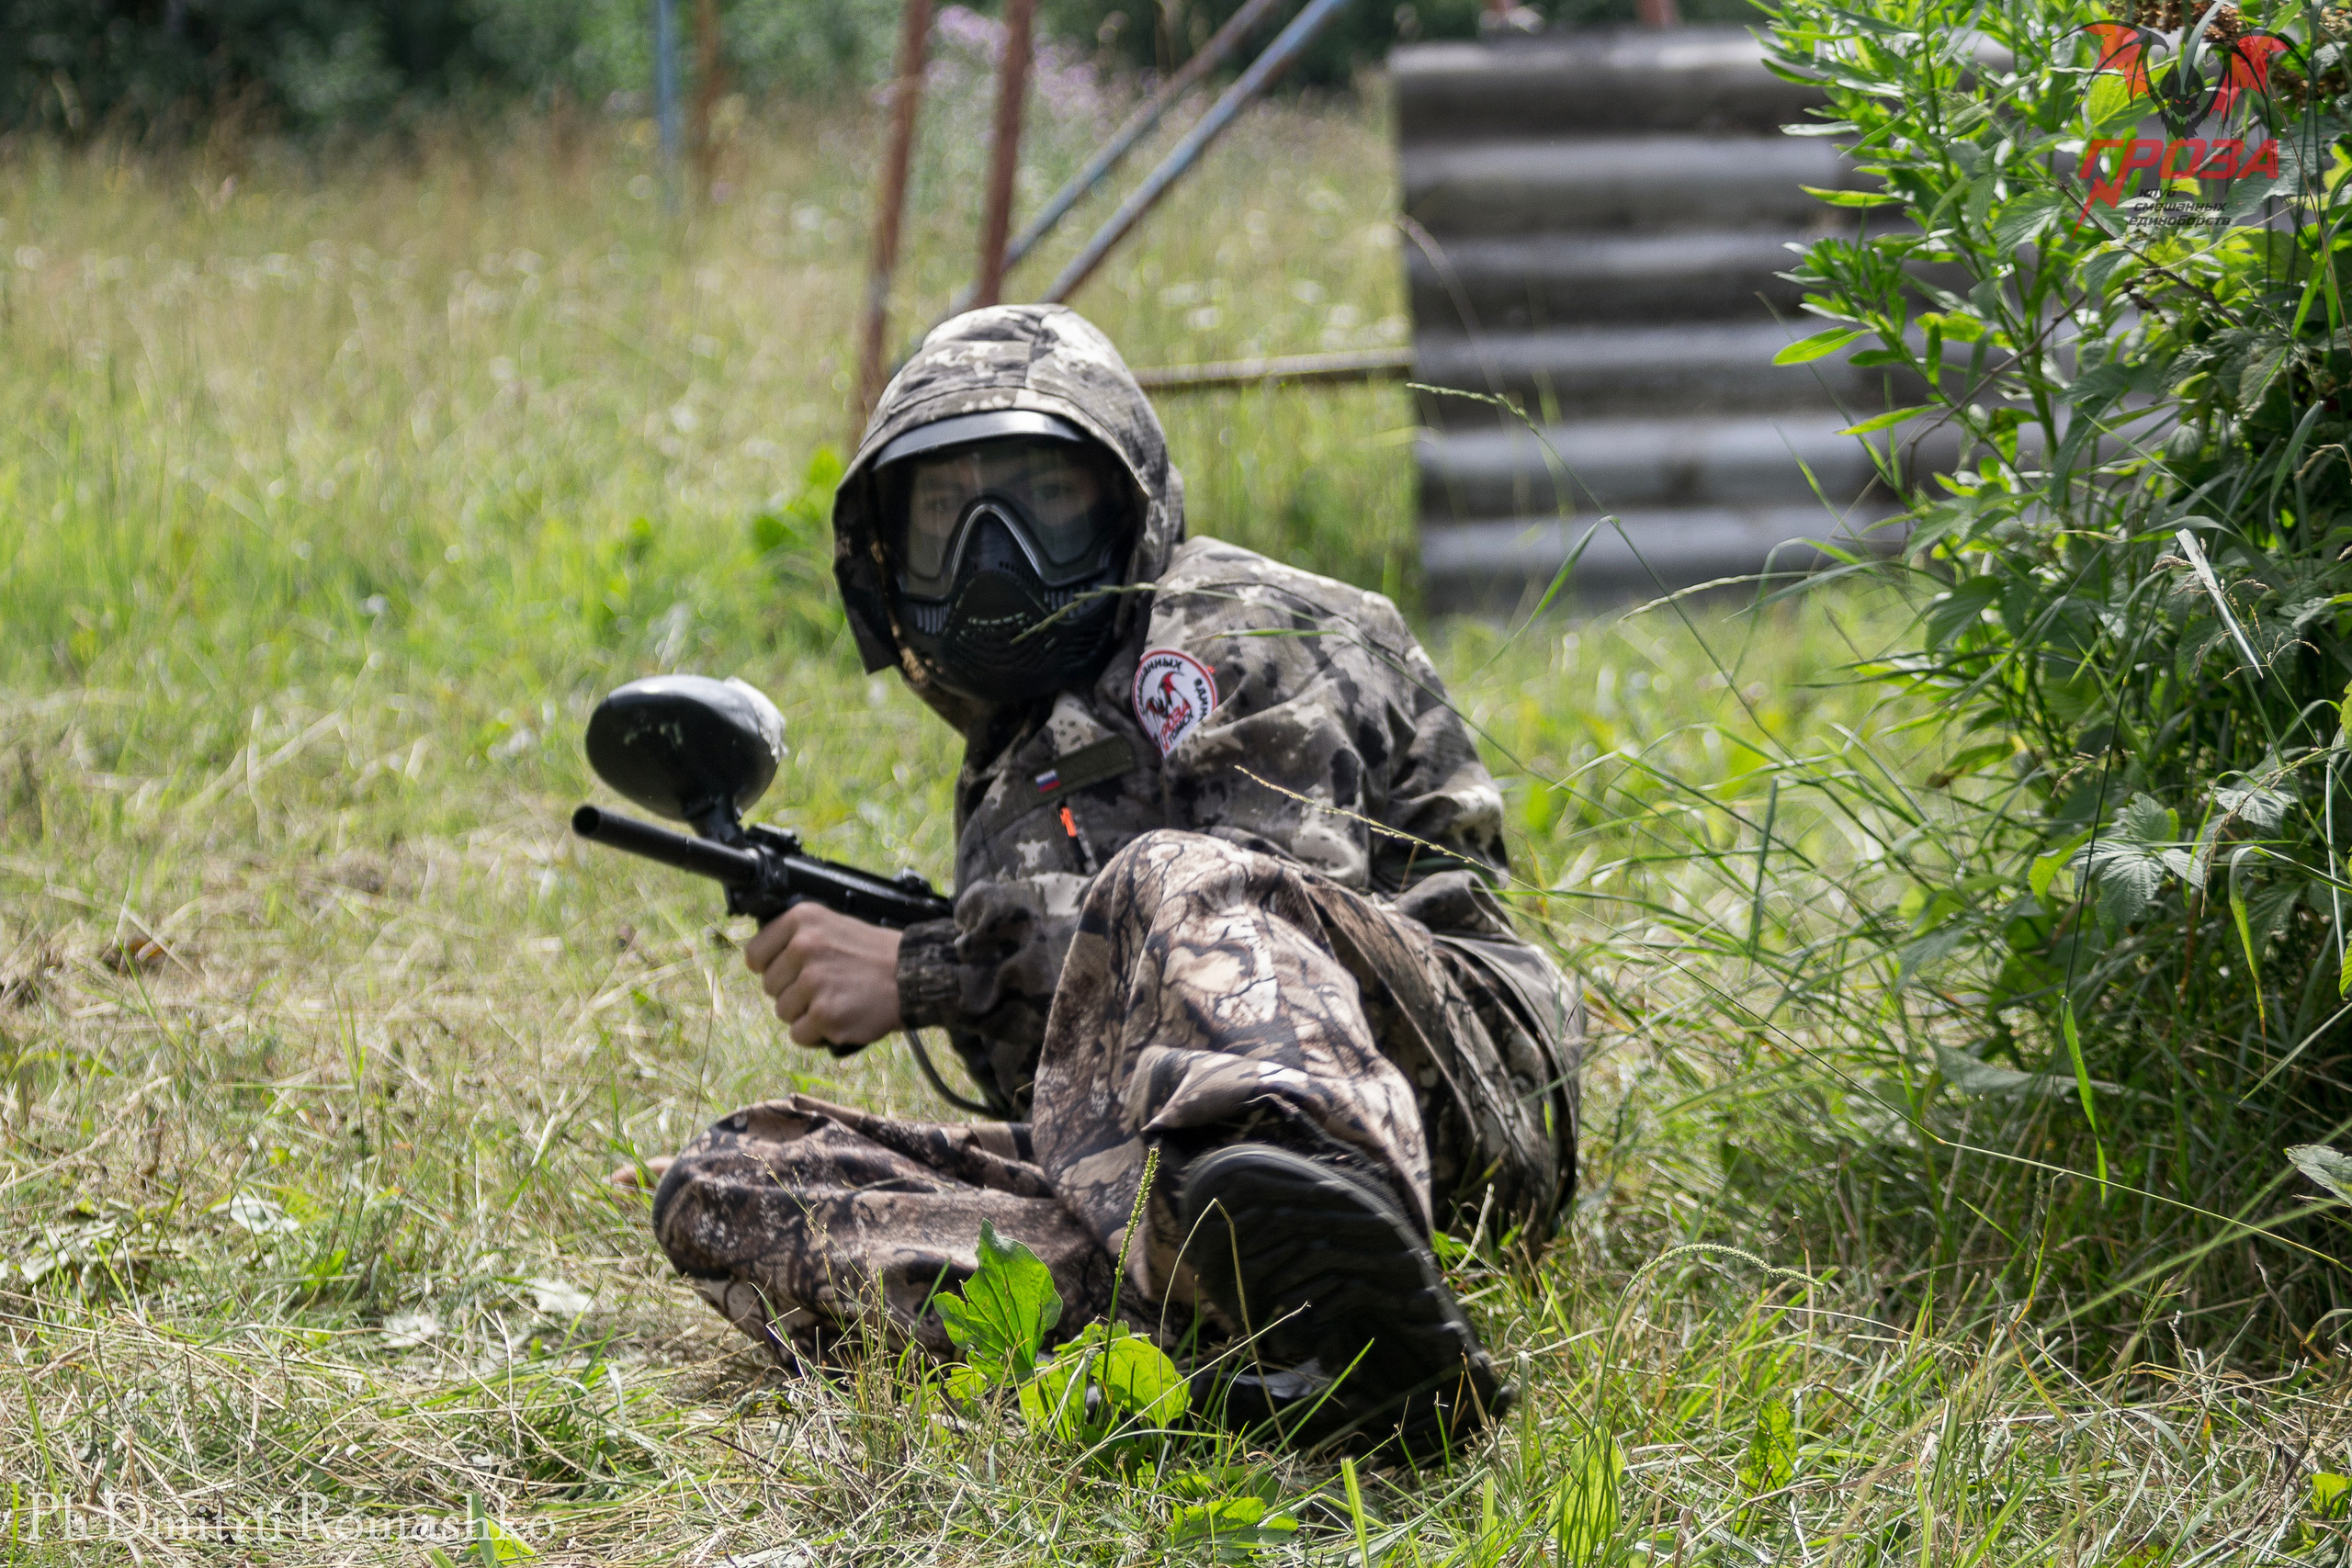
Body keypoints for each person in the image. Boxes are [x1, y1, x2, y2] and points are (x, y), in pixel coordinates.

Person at [643, 304, 1580, 1451]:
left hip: (1445, 1105)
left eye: (1039, 500)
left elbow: (1265, 912)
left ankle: (1343, 1289)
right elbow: (1084, 1074)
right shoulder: (1017, 753)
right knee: (736, 1176)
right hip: (1190, 1163)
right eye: (948, 514)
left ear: (1122, 505)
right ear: (890, 557)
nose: (995, 554)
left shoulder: (1229, 625)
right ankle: (1240, 1350)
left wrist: (929, 970)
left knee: (1177, 877)